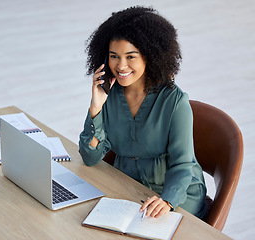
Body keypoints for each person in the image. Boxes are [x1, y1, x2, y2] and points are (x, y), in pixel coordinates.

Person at [79, 6, 207, 219]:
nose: (121, 66)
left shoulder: (175, 102)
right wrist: (96, 108)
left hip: (177, 196)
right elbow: (90, 158)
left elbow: (183, 164)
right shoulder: (107, 96)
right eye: (114, 56)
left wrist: (167, 200)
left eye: (131, 57)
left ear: (149, 55)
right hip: (129, 189)